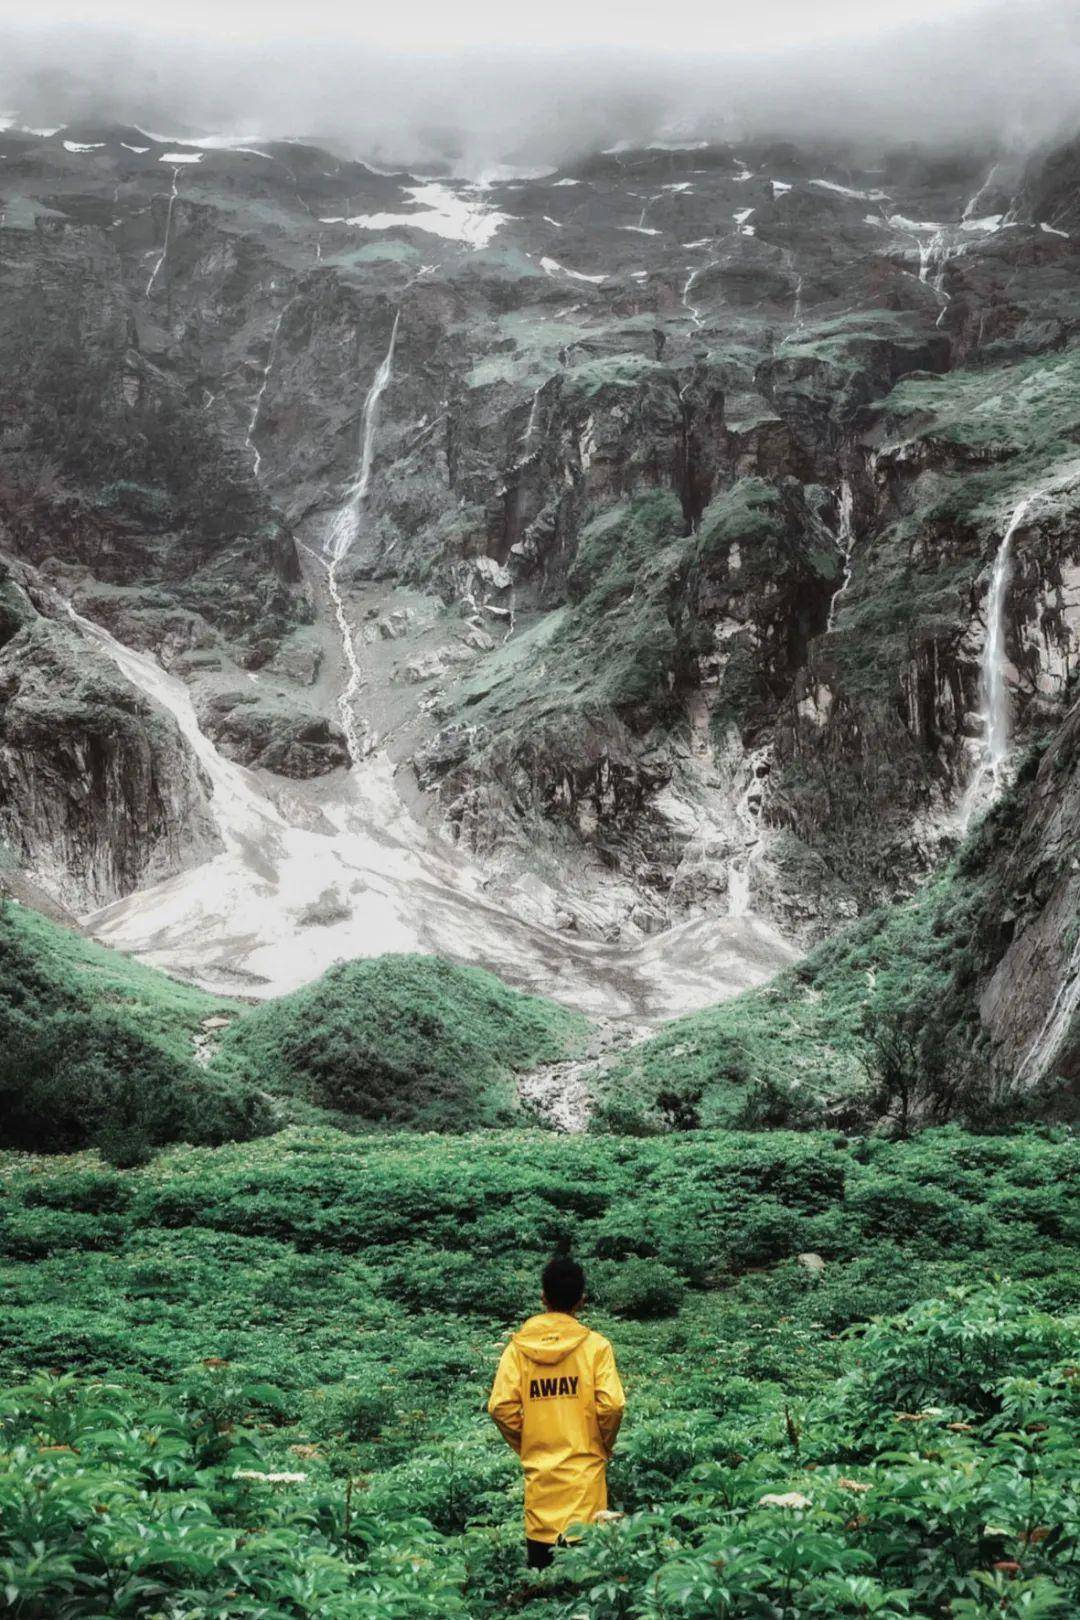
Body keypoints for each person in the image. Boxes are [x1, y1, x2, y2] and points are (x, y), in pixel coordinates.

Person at [488, 1255, 625, 1570]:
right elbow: (613, 1405)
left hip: (541, 1493)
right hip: (586, 1489)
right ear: (581, 1300)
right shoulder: (596, 1347)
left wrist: (528, 1442)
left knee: (543, 1591)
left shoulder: (518, 1350)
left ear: (543, 1298)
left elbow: (500, 1407)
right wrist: (601, 1443)